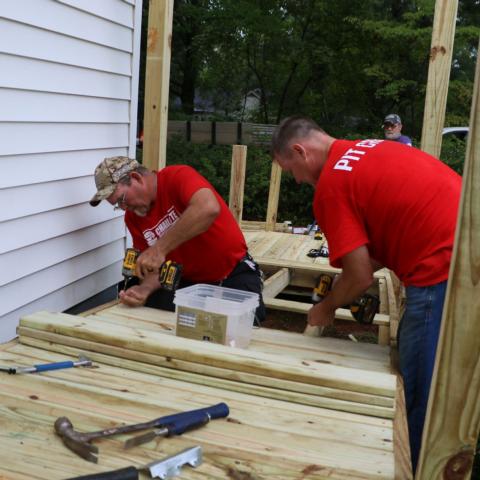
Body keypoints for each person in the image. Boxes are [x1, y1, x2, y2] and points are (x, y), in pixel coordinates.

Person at [271, 116, 461, 473]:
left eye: (290, 169)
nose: (296, 180)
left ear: (300, 150)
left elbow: (358, 276)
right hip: (463, 245)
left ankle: (418, 469)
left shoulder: (331, 186)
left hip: (441, 269)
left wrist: (326, 307)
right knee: (417, 359)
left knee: (418, 392)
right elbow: (370, 255)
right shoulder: (367, 148)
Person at [89, 156, 265, 323]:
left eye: (122, 199)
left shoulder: (177, 177)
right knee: (157, 320)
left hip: (231, 273)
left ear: (136, 178)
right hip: (188, 284)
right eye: (118, 206)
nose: (124, 207)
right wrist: (144, 289)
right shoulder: (133, 218)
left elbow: (208, 208)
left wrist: (159, 249)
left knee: (243, 324)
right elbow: (155, 266)